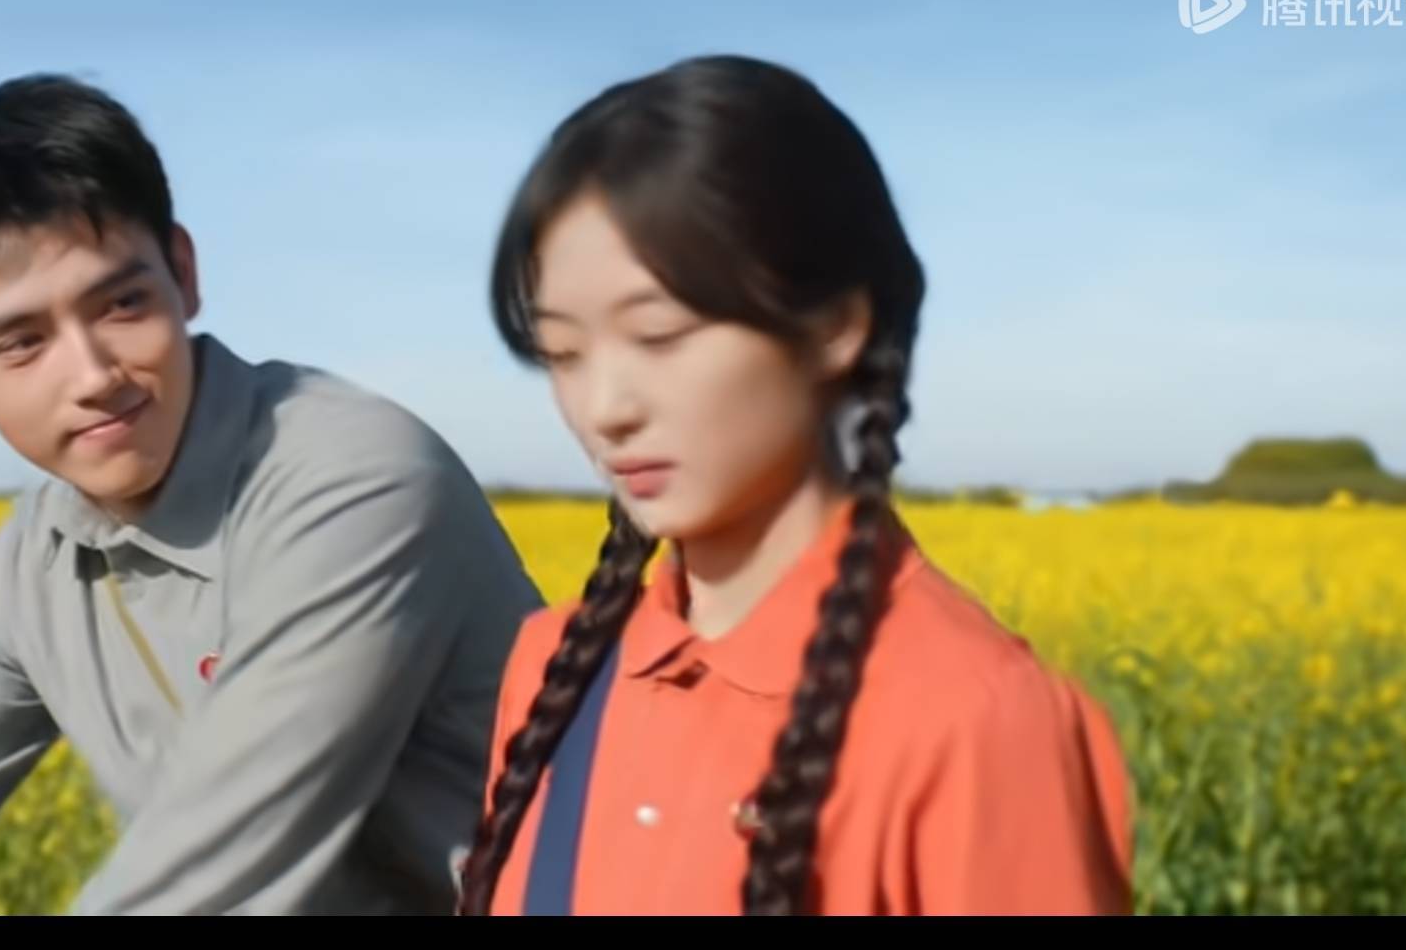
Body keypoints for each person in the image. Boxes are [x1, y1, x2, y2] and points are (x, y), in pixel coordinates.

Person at [0, 73, 543, 915]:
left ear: (183, 272)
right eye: (22, 342)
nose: (95, 375)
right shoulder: (35, 566)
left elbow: (211, 883)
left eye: (122, 304)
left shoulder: (350, 481)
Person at [454, 55, 1135, 916]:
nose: (603, 409)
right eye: (563, 353)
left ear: (834, 326)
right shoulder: (554, 669)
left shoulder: (979, 721)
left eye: (659, 336)